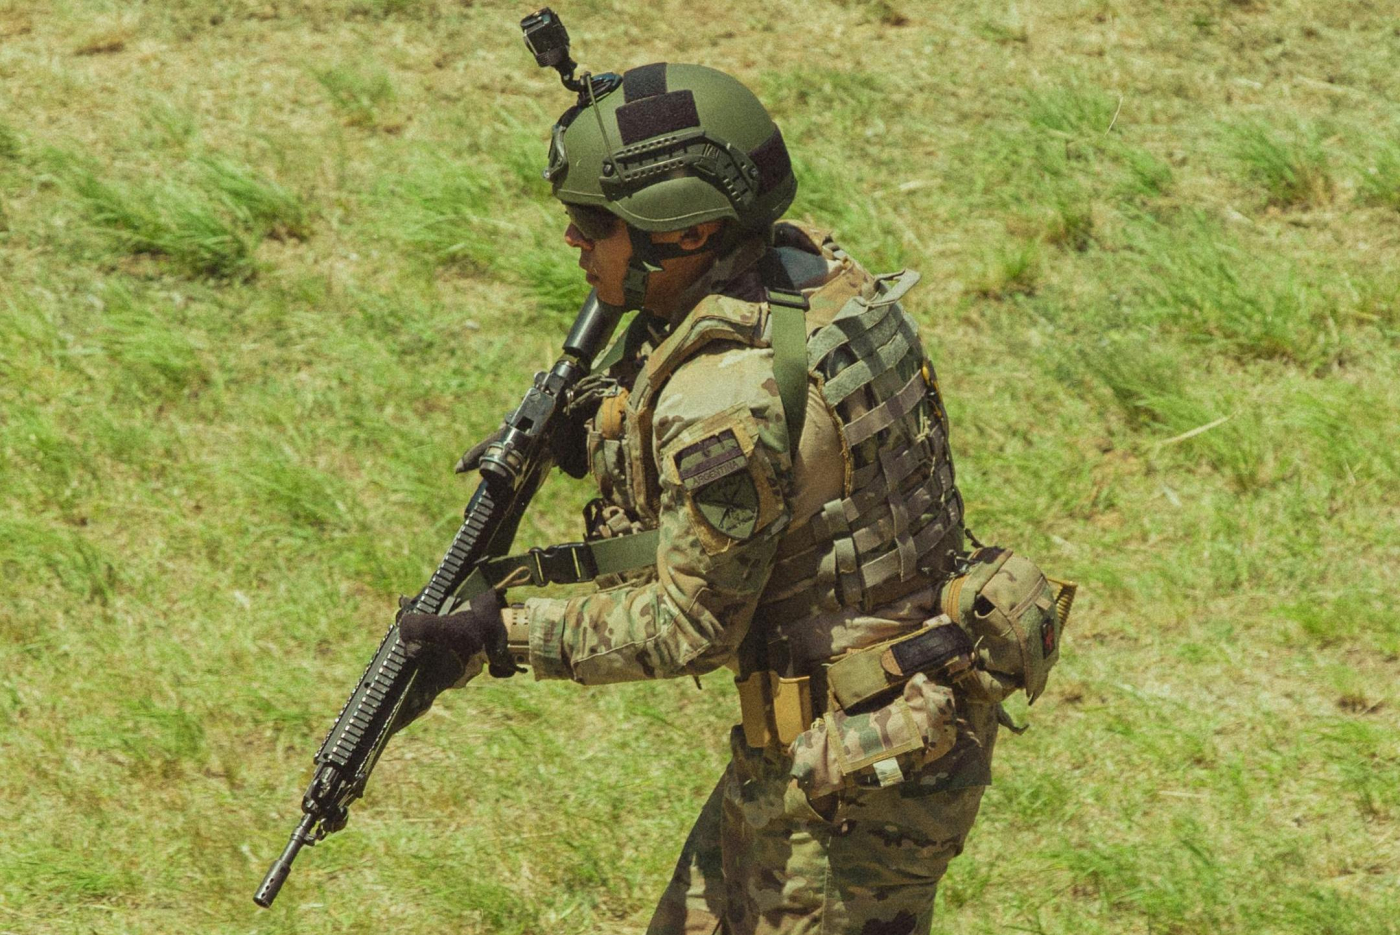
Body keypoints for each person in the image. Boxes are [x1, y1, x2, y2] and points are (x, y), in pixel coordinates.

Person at [397, 61, 1071, 935]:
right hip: (840, 736)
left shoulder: (725, 403)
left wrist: (499, 634)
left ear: (689, 230)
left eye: (594, 222)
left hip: (854, 790)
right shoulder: (804, 266)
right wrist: (601, 426)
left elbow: (690, 626)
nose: (571, 239)